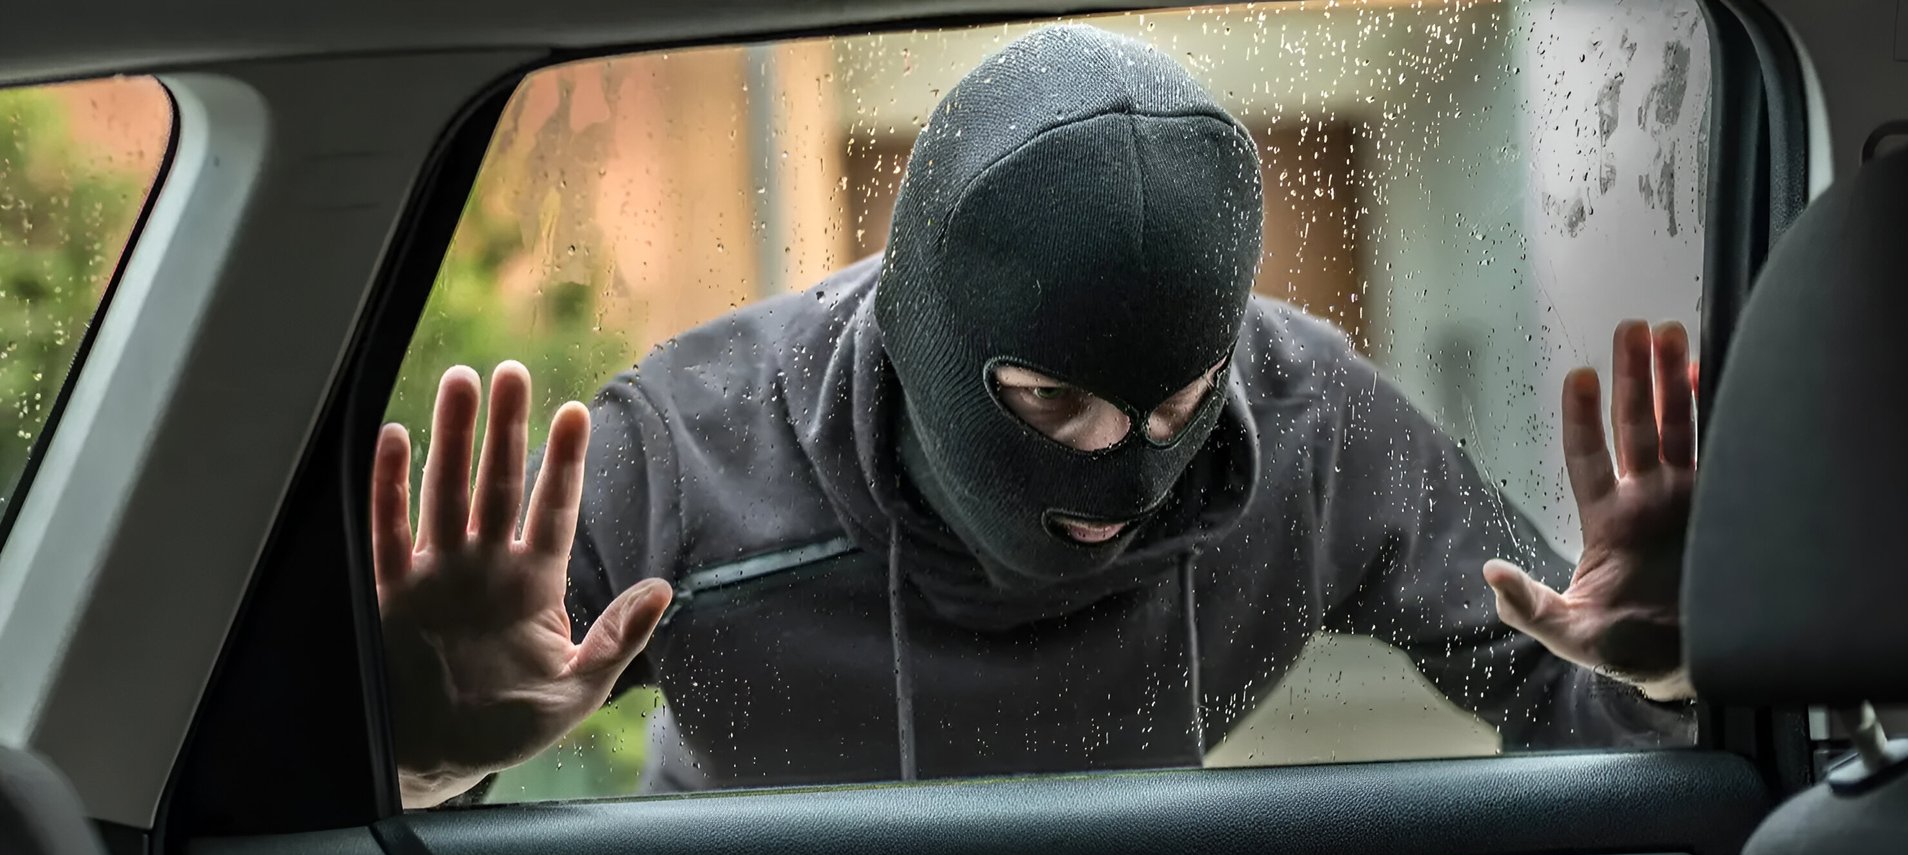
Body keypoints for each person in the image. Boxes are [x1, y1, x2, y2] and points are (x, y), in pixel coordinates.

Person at [373, 25, 1698, 809]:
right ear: (929, 342)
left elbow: (1572, 694)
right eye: (1052, 404)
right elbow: (397, 786)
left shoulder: (1309, 422)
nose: (1119, 474)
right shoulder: (691, 446)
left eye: (1175, 405)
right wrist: (428, 755)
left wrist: (1675, 672)